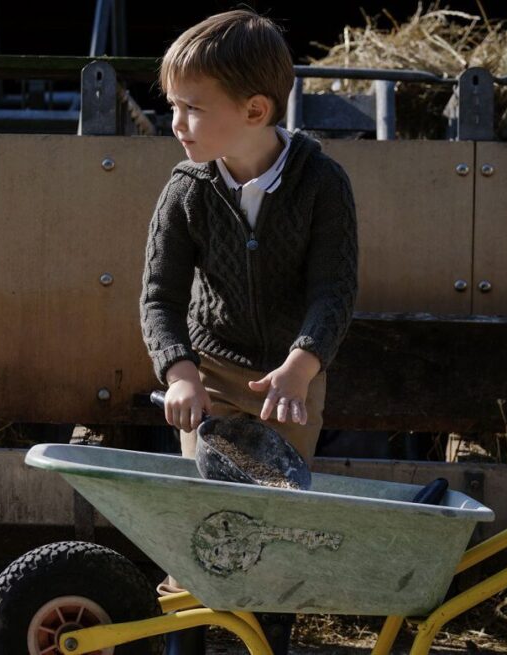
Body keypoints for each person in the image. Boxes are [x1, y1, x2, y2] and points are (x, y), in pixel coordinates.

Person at [138, 8, 358, 654]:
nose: (175, 124)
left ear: (256, 111)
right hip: (211, 377)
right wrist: (178, 370)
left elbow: (334, 290)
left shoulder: (322, 185)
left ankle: (269, 638)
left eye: (193, 109)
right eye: (173, 106)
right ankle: (188, 640)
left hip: (289, 382)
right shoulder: (185, 190)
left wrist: (303, 363)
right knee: (203, 518)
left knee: (273, 520)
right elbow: (160, 296)